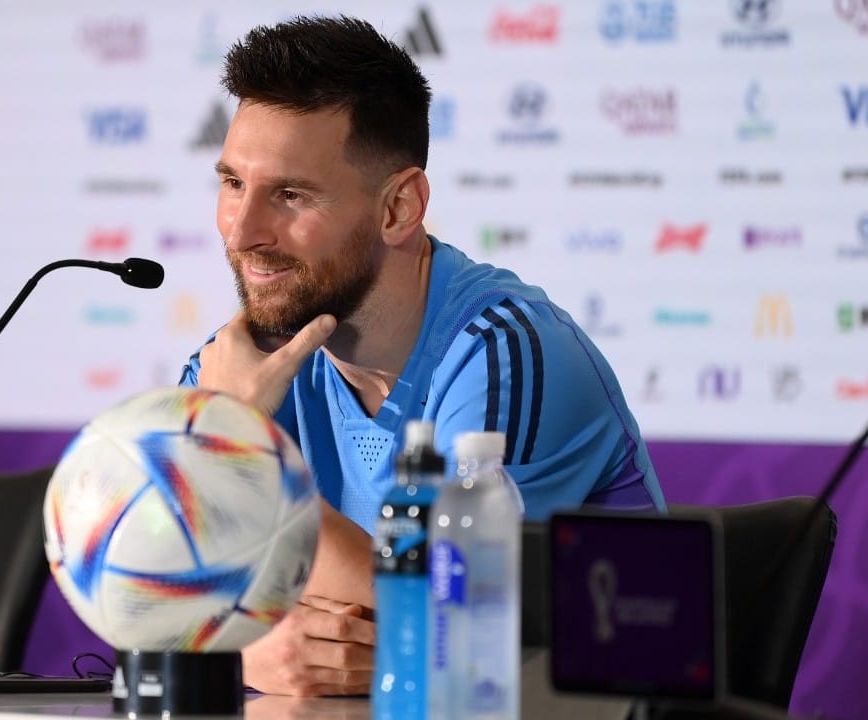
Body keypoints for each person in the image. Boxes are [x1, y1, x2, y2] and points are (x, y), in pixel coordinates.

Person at [179, 14, 666, 697]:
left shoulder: (506, 352)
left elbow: (448, 618)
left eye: (290, 195)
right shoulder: (243, 363)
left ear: (399, 208)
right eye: (233, 183)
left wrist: (241, 450)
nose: (242, 231)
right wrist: (235, 651)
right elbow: (148, 592)